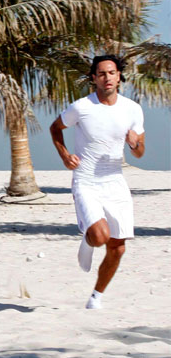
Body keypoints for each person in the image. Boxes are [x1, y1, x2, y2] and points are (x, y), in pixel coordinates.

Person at [49, 54, 145, 309]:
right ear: (94, 78)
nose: (107, 78)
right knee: (101, 236)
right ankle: (88, 239)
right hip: (86, 180)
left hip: (115, 180)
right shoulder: (82, 107)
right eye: (101, 74)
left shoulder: (132, 109)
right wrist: (64, 155)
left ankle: (96, 297)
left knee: (118, 248)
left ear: (119, 76)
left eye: (111, 73)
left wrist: (134, 144)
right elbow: (55, 128)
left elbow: (140, 152)